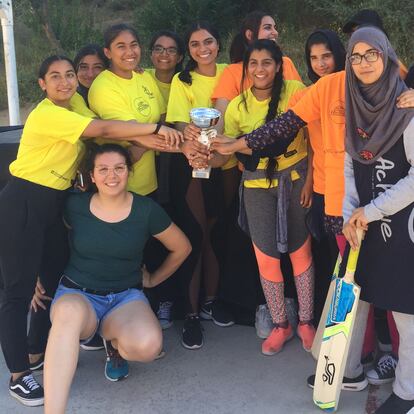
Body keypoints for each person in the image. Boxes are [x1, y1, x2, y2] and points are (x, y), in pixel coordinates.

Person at [0, 54, 181, 407]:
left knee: (50, 280)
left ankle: (38, 350)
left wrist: (147, 140)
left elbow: (106, 125)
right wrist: (154, 129)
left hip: (54, 202)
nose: (65, 82)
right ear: (42, 83)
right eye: (55, 76)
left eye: (70, 75)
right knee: (17, 291)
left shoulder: (77, 102)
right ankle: (19, 374)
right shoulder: (48, 113)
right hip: (24, 199)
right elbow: (102, 130)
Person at [42, 143, 191, 414]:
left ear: (129, 172)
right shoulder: (75, 205)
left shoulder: (145, 209)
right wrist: (31, 278)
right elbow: (43, 236)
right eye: (104, 169)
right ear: (92, 174)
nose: (112, 176)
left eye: (119, 168)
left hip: (124, 298)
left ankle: (112, 343)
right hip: (79, 294)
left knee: (148, 345)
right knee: (67, 315)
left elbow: (182, 247)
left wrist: (154, 279)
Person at [218, 39, 315, 354]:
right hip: (257, 187)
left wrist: (311, 179)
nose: (260, 70)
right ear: (246, 69)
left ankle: (306, 322)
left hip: (296, 180)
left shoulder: (296, 91)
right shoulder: (237, 107)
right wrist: (204, 154)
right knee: (266, 257)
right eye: (253, 64)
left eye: (267, 63)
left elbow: (313, 138)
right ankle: (280, 324)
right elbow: (229, 157)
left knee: (301, 252)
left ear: (279, 66)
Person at [341, 26, 414, 414]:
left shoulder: (406, 107)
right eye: (356, 55)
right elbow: (350, 166)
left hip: (402, 227)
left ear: (387, 57)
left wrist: (367, 212)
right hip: (365, 225)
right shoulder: (354, 106)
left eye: (373, 54)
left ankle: (407, 393)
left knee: (407, 311)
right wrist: (347, 212)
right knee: (366, 300)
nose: (364, 63)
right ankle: (346, 369)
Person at [166, 21, 234, 350]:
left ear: (218, 44)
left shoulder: (231, 71)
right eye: (194, 44)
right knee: (195, 234)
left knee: (218, 233)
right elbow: (179, 120)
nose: (202, 48)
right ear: (188, 50)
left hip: (227, 163)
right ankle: (191, 314)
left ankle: (211, 301)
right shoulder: (184, 80)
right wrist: (191, 134)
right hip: (194, 163)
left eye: (208, 41)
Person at [89, 23, 173, 197]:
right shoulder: (103, 87)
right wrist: (176, 143)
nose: (130, 52)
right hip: (118, 184)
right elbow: (131, 132)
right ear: (108, 53)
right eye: (121, 47)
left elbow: (162, 116)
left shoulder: (143, 77)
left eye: (134, 45)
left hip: (149, 180)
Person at [147, 30, 185, 106]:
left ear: (179, 58)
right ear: (151, 54)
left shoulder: (185, 84)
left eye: (171, 50)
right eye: (158, 49)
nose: (164, 54)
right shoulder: (140, 76)